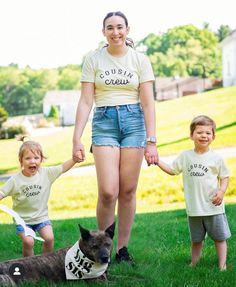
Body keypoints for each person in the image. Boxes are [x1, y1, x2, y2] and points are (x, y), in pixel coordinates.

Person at [72, 11, 158, 264]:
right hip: (105, 123)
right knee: (109, 191)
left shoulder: (140, 60)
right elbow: (86, 100)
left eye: (120, 27)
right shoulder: (93, 59)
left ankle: (121, 249)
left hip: (134, 123)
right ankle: (101, 246)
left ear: (127, 30)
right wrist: (76, 138)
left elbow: (148, 103)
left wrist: (151, 141)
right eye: (110, 28)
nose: (115, 32)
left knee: (128, 191)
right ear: (103, 32)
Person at [157, 115, 231, 271]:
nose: (204, 136)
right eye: (199, 132)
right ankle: (194, 263)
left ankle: (222, 265)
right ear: (191, 135)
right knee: (196, 240)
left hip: (213, 208)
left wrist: (221, 191)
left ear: (213, 137)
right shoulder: (186, 156)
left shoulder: (216, 158)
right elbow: (172, 170)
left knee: (219, 238)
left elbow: (224, 177)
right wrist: (157, 161)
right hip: (194, 209)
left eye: (208, 133)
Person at [0, 137, 77, 257]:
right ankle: (29, 265)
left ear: (41, 159)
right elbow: (2, 192)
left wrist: (75, 159)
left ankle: (45, 262)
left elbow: (62, 168)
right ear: (21, 161)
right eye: (28, 158)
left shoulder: (46, 173)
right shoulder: (15, 180)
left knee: (49, 239)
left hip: (41, 218)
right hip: (23, 221)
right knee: (28, 242)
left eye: (36, 158)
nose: (32, 161)